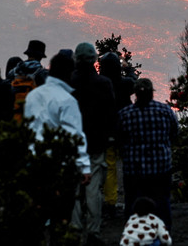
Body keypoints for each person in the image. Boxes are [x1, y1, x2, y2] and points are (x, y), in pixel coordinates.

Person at [24, 52, 91, 228]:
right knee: (61, 218)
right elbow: (75, 135)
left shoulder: (33, 96)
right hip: (60, 167)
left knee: (36, 218)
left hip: (34, 163)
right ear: (69, 74)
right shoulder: (67, 100)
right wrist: (84, 166)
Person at [116, 78, 179, 233]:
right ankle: (164, 232)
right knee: (162, 201)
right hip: (161, 168)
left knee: (132, 203)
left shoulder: (124, 114)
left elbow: (119, 140)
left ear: (135, 94)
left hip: (134, 170)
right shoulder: (165, 111)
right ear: (152, 93)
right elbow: (174, 134)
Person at [71, 42, 117, 245]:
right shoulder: (104, 83)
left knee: (74, 189)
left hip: (73, 143)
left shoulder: (69, 82)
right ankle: (93, 231)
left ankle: (74, 229)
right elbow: (110, 113)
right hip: (97, 143)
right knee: (94, 189)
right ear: (94, 60)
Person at [99, 51, 136, 215]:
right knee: (129, 166)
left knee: (110, 167)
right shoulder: (125, 83)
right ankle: (131, 200)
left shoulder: (100, 84)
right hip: (125, 129)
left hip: (107, 129)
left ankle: (110, 201)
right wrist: (128, 69)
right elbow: (134, 80)